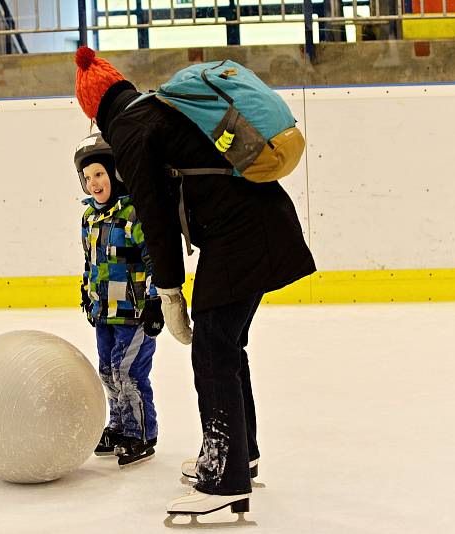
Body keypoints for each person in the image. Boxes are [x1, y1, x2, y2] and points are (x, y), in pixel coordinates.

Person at [73, 47, 316, 515]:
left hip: (241, 234)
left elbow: (156, 217)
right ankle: (240, 457)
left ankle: (224, 480)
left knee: (212, 350)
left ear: (94, 108)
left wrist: (167, 292)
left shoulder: (129, 128)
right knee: (223, 343)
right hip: (259, 223)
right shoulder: (155, 109)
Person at [75, 132, 165, 468]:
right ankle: (119, 426)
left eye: (99, 174)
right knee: (108, 371)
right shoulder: (89, 218)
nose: (93, 183)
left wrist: (156, 300)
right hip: (104, 311)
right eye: (87, 178)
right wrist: (88, 295)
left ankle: (141, 433)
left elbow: (155, 257)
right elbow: (91, 263)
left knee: (128, 372)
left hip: (135, 311)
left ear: (114, 174)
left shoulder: (133, 214)